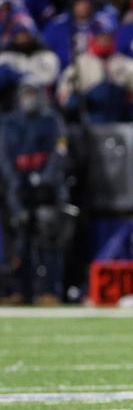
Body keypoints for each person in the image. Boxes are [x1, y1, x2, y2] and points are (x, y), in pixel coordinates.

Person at [0, 80, 71, 305]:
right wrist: (16, 186)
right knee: (19, 239)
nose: (29, 99)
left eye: (32, 93)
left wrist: (45, 181)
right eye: (25, 94)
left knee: (49, 238)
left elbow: (59, 151)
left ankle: (50, 290)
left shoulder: (52, 120)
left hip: (48, 191)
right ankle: (20, 290)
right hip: (18, 190)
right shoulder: (8, 123)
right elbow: (4, 158)